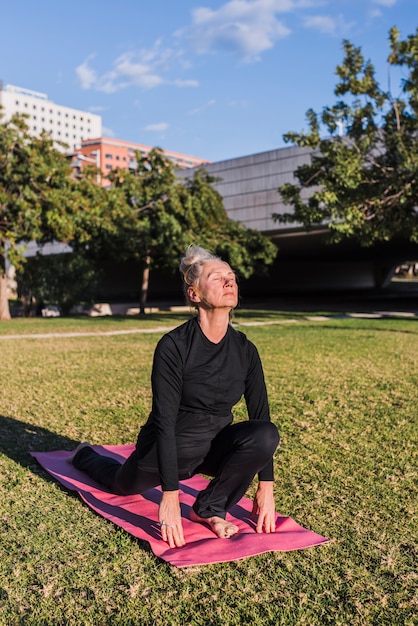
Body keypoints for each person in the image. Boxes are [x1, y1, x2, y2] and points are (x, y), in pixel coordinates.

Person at [69, 245, 280, 548]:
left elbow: (261, 414)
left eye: (231, 276)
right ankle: (83, 453)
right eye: (217, 277)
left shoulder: (246, 350)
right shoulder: (174, 346)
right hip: (166, 447)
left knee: (265, 434)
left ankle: (207, 509)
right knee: (120, 484)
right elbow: (165, 421)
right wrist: (170, 494)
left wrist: (267, 485)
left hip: (212, 447)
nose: (228, 281)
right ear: (194, 294)